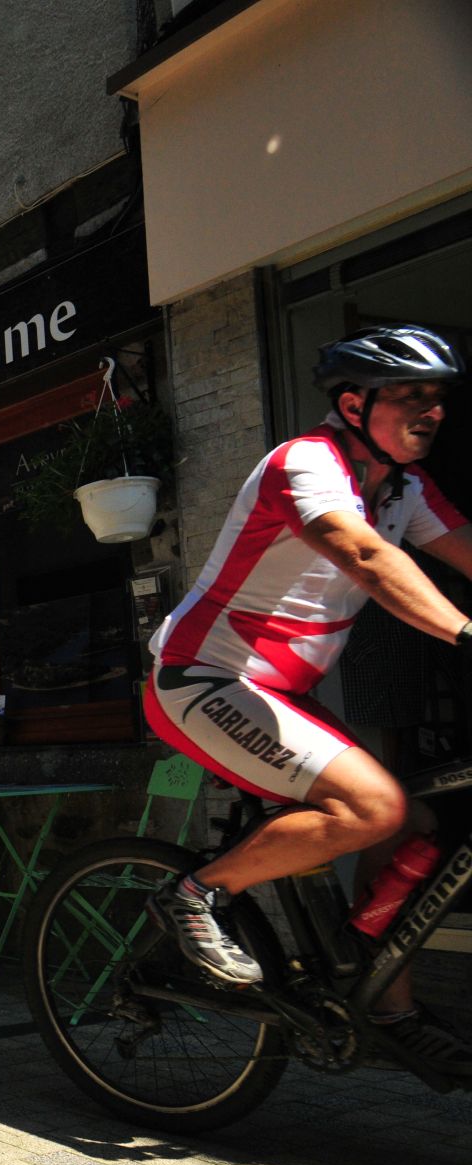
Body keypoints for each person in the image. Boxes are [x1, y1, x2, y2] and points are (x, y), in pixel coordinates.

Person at [144, 324, 472, 1074]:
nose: (434, 410)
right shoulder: (306, 464)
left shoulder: (403, 488)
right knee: (375, 808)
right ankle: (193, 894)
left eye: (440, 397)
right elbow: (363, 554)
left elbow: (464, 546)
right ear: (354, 405)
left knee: (417, 818)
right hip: (204, 678)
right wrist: (463, 632)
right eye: (412, 395)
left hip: (278, 693)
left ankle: (380, 992)